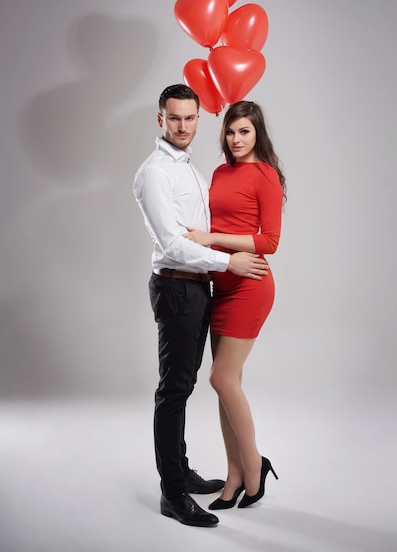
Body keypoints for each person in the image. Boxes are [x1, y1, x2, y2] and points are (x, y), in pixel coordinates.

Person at [132, 85, 270, 527]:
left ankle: (183, 471)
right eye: (175, 119)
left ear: (198, 119)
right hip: (177, 286)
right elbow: (173, 243)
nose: (184, 126)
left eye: (191, 118)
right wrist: (227, 260)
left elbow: (209, 228)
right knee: (173, 391)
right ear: (161, 120)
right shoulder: (156, 172)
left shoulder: (189, 167)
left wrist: (219, 259)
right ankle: (172, 493)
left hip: (199, 287)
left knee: (187, 386)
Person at [184, 100, 286, 510]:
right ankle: (234, 477)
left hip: (250, 286)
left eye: (244, 131)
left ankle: (255, 464)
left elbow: (270, 242)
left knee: (220, 379)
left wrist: (213, 241)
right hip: (220, 287)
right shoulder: (221, 173)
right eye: (230, 132)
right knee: (230, 388)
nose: (236, 139)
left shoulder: (266, 175)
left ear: (258, 132)